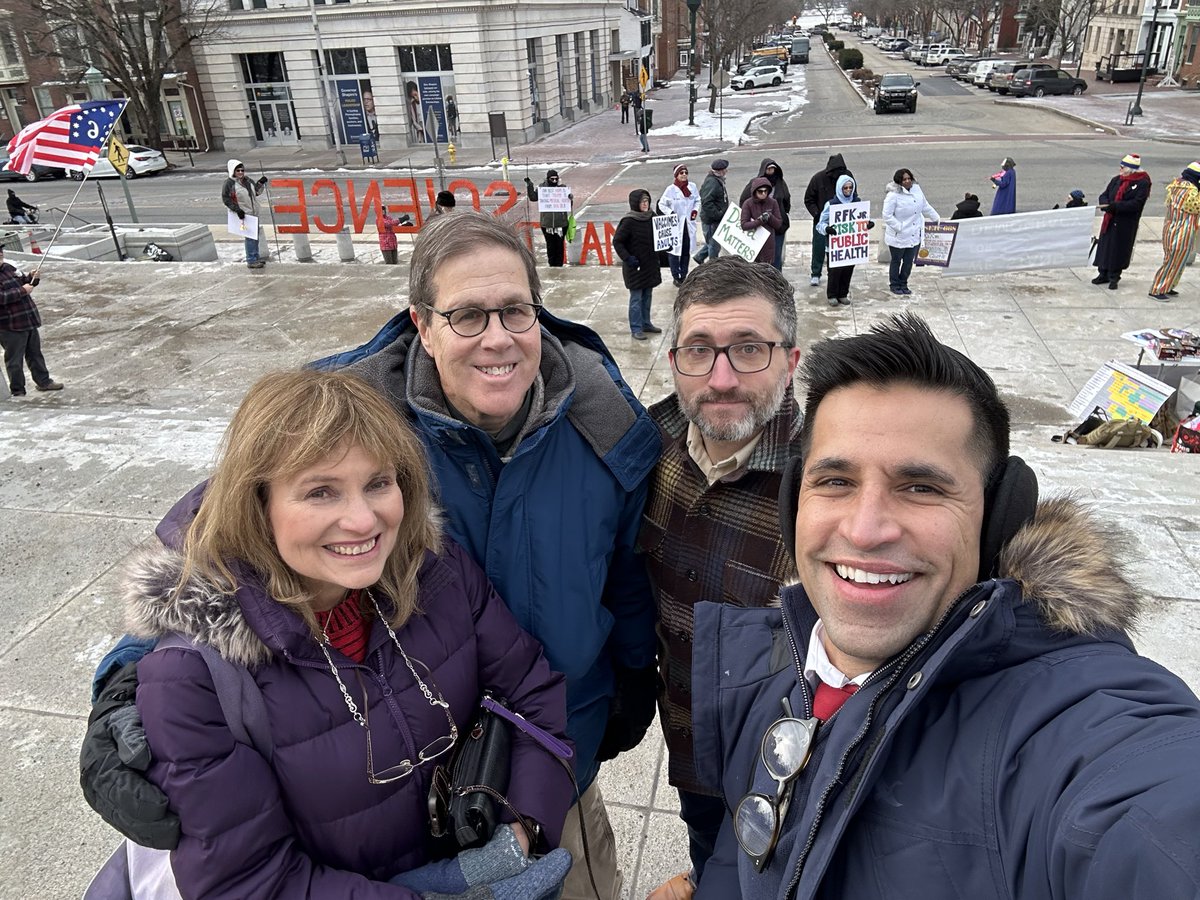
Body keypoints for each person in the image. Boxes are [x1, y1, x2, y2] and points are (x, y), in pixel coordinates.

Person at [81, 212, 660, 900]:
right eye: (467, 315)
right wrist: (127, 677)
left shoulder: (605, 421)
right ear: (422, 322)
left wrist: (631, 681)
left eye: (515, 310)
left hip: (550, 764)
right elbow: (210, 539)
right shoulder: (355, 413)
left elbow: (630, 574)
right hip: (370, 813)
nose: (497, 338)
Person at [690, 312, 1200, 900]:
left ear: (997, 517)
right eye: (835, 481)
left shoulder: (1073, 724)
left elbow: (1153, 823)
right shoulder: (773, 663)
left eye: (922, 487)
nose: (865, 528)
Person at [111, 368, 574, 897]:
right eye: (321, 492)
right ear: (258, 506)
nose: (361, 520)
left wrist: (526, 828)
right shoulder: (196, 675)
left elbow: (532, 694)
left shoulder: (436, 572)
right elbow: (246, 882)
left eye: (378, 483)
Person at [641, 258, 802, 900]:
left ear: (790, 361)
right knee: (709, 856)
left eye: (748, 350)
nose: (722, 378)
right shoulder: (650, 445)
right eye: (700, 351)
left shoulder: (827, 483)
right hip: (690, 753)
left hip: (785, 781)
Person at [1, 247, 62, 398]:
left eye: (0, 251)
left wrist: (32, 277)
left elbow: (25, 281)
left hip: (28, 320)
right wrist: (22, 291)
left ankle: (44, 381)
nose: (0, 254)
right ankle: (18, 390)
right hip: (10, 326)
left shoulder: (9, 268)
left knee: (35, 354)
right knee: (14, 360)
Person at [1092, 153, 1152, 291]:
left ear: (1130, 169)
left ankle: (1114, 276)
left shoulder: (1142, 183)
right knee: (1106, 247)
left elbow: (1136, 204)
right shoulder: (1116, 180)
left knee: (1118, 250)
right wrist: (1105, 204)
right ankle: (1103, 273)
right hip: (1110, 219)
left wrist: (1116, 207)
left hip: (1125, 223)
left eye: (1122, 167)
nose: (1120, 169)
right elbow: (1104, 194)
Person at [612, 188, 664, 341]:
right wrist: (628, 258)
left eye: (647, 201)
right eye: (642, 201)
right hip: (635, 267)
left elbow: (661, 233)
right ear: (635, 203)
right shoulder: (628, 221)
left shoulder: (652, 217)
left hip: (649, 265)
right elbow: (617, 241)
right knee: (636, 298)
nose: (645, 204)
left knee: (647, 296)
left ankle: (646, 323)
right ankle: (636, 328)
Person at [816, 175, 873, 307]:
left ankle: (843, 294)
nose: (848, 190)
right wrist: (827, 229)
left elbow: (862, 220)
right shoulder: (831, 204)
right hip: (834, 246)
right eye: (845, 188)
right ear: (839, 189)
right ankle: (832, 295)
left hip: (851, 246)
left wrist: (868, 224)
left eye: (850, 187)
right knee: (835, 272)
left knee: (848, 270)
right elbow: (820, 224)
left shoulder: (857, 202)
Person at [882, 167, 939, 296]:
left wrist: (935, 217)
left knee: (908, 262)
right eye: (904, 179)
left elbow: (925, 205)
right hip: (898, 235)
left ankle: (904, 283)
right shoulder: (893, 195)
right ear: (899, 181)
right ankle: (894, 284)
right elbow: (887, 215)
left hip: (914, 234)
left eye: (909, 179)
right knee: (897, 261)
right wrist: (900, 227)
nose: (907, 181)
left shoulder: (917, 190)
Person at [1148, 161, 1200, 301]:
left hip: (1171, 228)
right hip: (1182, 231)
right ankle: (1157, 289)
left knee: (1174, 261)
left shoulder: (1177, 184)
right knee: (1173, 261)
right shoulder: (1190, 190)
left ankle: (1168, 286)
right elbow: (1196, 207)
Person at [804, 154, 854, 286]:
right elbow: (809, 199)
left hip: (842, 222)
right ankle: (816, 273)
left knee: (839, 248)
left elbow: (853, 194)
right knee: (819, 248)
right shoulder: (818, 178)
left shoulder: (847, 176)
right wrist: (818, 215)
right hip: (823, 220)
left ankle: (836, 275)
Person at [739, 159, 791, 272]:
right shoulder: (754, 184)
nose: (763, 194)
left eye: (773, 168)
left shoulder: (780, 183)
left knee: (775, 258)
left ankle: (777, 282)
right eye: (768, 169)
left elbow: (787, 200)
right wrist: (755, 217)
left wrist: (777, 214)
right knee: (758, 261)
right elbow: (743, 202)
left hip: (777, 229)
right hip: (758, 230)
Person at [221, 159, 269, 269]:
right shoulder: (229, 183)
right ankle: (251, 260)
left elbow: (255, 192)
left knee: (255, 236)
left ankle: (255, 257)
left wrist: (260, 183)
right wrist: (237, 210)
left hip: (253, 212)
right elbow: (226, 199)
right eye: (238, 170)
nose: (241, 172)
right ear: (233, 171)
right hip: (243, 214)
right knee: (250, 237)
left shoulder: (248, 180)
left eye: (242, 170)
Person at [659, 165, 700, 286]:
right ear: (676, 175)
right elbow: (662, 204)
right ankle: (676, 275)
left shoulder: (692, 187)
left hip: (688, 224)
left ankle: (684, 274)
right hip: (676, 225)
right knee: (674, 251)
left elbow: (697, 200)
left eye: (685, 172)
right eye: (681, 173)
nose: (684, 175)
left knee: (685, 250)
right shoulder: (670, 190)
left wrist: (695, 211)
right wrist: (671, 213)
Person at [524, 170, 572, 267]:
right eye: (552, 179)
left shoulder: (562, 188)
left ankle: (559, 265)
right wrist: (530, 185)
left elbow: (568, 205)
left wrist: (570, 199)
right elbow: (533, 198)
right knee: (550, 245)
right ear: (548, 179)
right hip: (547, 224)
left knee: (559, 246)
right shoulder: (542, 188)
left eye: (556, 178)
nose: (554, 181)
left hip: (561, 224)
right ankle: (552, 265)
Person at [693, 158, 729, 265]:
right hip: (711, 221)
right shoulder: (712, 182)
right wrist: (717, 214)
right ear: (720, 171)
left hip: (714, 220)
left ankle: (699, 257)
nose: (726, 172)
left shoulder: (716, 180)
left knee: (712, 242)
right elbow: (707, 202)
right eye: (725, 170)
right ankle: (713, 266)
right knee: (714, 245)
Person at [739, 177, 783, 265]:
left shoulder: (773, 202)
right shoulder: (748, 204)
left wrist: (770, 217)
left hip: (768, 243)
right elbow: (744, 225)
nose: (763, 194)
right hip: (753, 243)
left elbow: (778, 224)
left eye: (765, 191)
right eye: (760, 191)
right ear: (755, 192)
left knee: (767, 269)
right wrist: (759, 221)